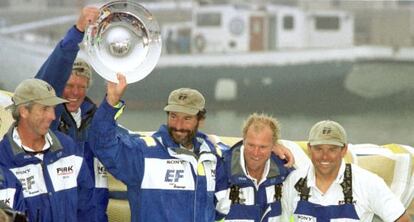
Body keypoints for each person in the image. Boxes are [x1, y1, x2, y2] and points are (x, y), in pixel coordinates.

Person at [34, 7, 110, 222]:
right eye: (69, 85)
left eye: (82, 86)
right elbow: (51, 74)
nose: (75, 93)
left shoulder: (99, 122)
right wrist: (78, 31)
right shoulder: (49, 122)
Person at [0, 79, 95, 222]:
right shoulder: (3, 158)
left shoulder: (68, 147)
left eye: (53, 108)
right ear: (24, 111)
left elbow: (87, 206)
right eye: (45, 109)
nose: (53, 116)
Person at [281, 120, 411, 221]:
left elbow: (401, 219)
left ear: (344, 150)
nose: (325, 156)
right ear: (309, 149)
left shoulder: (368, 182)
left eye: (332, 149)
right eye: (319, 149)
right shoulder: (293, 181)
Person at [217, 113, 292, 221]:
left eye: (263, 147)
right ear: (243, 141)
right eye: (251, 145)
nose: (256, 153)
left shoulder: (286, 172)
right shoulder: (220, 169)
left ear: (273, 146)